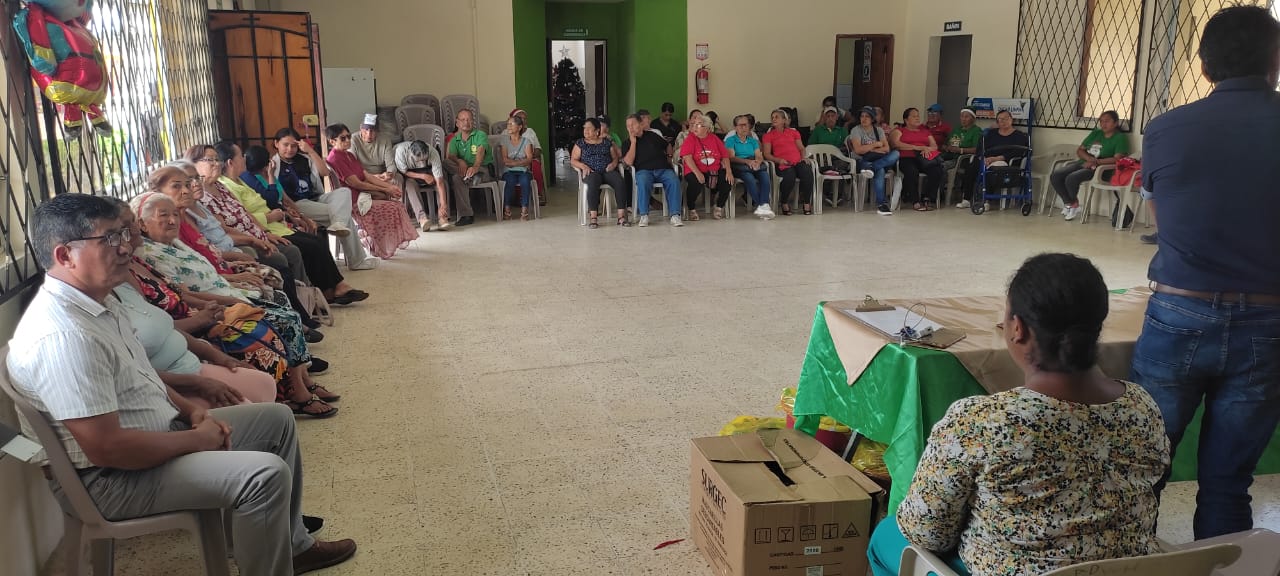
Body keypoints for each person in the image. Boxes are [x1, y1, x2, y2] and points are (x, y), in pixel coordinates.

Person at [8, 193, 357, 575]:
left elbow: (142, 374)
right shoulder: (63, 335)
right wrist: (196, 439)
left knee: (277, 420)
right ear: (64, 255)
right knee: (264, 476)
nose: (126, 247)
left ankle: (293, 547)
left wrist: (190, 410)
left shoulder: (100, 302)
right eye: (109, 239)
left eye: (124, 234)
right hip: (111, 479)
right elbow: (107, 448)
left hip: (153, 438)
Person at [869, 253, 1169, 576]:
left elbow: (927, 532)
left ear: (1017, 329)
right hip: (1128, 569)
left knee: (886, 536)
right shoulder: (1142, 407)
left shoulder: (981, 422)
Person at [1131, 5, 1280, 541]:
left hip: (1178, 311)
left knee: (1142, 470)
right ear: (1275, 61)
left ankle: (1131, 565)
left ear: (1204, 65)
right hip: (1270, 321)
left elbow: (1162, 219)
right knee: (1228, 484)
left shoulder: (1166, 128)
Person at [131, 192, 340, 418]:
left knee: (285, 310)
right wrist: (225, 300)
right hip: (206, 306)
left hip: (218, 295)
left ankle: (302, 381)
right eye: (164, 215)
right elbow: (184, 294)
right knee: (277, 321)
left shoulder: (174, 244)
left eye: (174, 214)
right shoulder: (147, 254)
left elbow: (194, 279)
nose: (173, 220)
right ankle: (294, 393)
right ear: (141, 224)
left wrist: (230, 284)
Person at [210, 141, 370, 304]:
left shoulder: (239, 181)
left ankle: (334, 288)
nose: (244, 159)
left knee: (317, 240)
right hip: (266, 229)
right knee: (311, 246)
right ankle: (326, 292)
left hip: (275, 225)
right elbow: (245, 216)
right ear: (230, 162)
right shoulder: (232, 184)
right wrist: (270, 220)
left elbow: (283, 199)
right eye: (240, 156)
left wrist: (296, 216)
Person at [272, 128, 376, 270]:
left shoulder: (304, 159)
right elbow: (279, 195)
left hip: (316, 198)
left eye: (294, 145)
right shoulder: (273, 164)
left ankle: (339, 225)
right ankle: (356, 261)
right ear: (276, 143)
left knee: (344, 191)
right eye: (286, 145)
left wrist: (310, 151)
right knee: (343, 215)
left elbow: (324, 172)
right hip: (297, 204)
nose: (290, 149)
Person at [325, 124, 420, 259]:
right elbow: (357, 183)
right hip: (353, 201)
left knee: (394, 202)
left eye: (348, 137)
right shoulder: (335, 158)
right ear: (332, 141)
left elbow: (366, 176)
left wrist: (389, 187)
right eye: (343, 138)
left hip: (361, 195)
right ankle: (373, 243)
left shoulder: (348, 155)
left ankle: (373, 238)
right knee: (394, 207)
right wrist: (385, 188)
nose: (348, 140)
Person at [1050, 110, 1129, 221]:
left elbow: (1117, 159)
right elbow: (1080, 150)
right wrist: (1089, 159)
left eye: (1107, 121)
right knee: (1056, 175)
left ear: (1115, 123)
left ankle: (1072, 205)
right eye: (1101, 121)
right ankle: (1070, 203)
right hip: (1085, 162)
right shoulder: (1096, 133)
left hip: (1101, 169)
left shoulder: (1120, 138)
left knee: (1071, 178)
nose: (1103, 124)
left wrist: (1096, 162)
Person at [958, 110, 1030, 209]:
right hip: (987, 159)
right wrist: (984, 158)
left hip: (1005, 162)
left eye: (1005, 119)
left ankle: (986, 201)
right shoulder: (991, 134)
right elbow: (981, 148)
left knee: (991, 170)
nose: (1002, 121)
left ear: (1011, 120)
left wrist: (998, 158)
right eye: (1000, 119)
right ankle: (966, 199)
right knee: (972, 165)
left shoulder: (1019, 136)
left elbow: (1018, 152)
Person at [621, 113, 682, 228]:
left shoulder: (652, 135)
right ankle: (644, 215)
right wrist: (633, 143)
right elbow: (628, 162)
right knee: (643, 182)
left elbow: (667, 145)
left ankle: (675, 215)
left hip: (663, 168)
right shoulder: (627, 143)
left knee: (674, 181)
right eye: (628, 126)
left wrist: (669, 157)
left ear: (640, 124)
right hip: (644, 171)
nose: (630, 128)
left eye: (633, 124)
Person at [571, 118, 629, 228]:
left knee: (619, 181)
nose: (586, 131)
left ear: (597, 131)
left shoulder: (606, 142)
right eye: (584, 128)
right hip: (591, 172)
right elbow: (573, 160)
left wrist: (613, 164)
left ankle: (621, 217)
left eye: (589, 128)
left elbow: (615, 157)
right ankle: (593, 218)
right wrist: (583, 166)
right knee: (593, 182)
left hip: (607, 171)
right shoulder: (580, 143)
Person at [679, 116, 735, 221]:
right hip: (694, 169)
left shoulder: (714, 138)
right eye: (694, 124)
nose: (695, 127)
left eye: (698, 125)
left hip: (714, 169)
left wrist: (729, 171)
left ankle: (719, 206)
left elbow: (725, 155)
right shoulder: (690, 138)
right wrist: (698, 173)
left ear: (707, 128)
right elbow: (687, 157)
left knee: (727, 181)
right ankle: (691, 208)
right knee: (695, 183)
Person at [891, 107, 945, 211]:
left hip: (924, 157)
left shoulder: (925, 131)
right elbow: (896, 144)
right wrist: (916, 147)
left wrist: (926, 149)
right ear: (906, 120)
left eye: (918, 116)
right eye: (914, 116)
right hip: (907, 157)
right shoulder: (900, 130)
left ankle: (927, 198)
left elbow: (934, 146)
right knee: (912, 171)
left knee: (936, 170)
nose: (917, 118)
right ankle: (915, 200)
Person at [762, 108, 815, 215]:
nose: (774, 119)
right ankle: (784, 201)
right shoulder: (768, 135)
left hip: (797, 161)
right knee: (790, 174)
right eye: (772, 117)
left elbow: (801, 148)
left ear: (784, 120)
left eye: (777, 117)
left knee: (807, 170)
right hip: (782, 163)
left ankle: (807, 202)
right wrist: (779, 160)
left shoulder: (793, 132)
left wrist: (803, 157)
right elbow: (766, 154)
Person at [848, 107, 899, 216]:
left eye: (867, 116)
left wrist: (868, 149)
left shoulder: (878, 130)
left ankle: (872, 167)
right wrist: (875, 145)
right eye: (862, 116)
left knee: (896, 154)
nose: (864, 119)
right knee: (880, 170)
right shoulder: (856, 130)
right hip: (862, 160)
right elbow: (858, 150)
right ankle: (882, 204)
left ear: (872, 119)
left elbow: (887, 149)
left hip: (877, 160)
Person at [393, 138, 452, 232]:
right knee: (409, 185)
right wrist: (423, 176)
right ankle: (422, 219)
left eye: (424, 159)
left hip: (429, 172)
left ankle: (443, 218)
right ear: (410, 153)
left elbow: (439, 182)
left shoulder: (433, 152)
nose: (421, 163)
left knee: (443, 183)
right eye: (418, 161)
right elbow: (404, 172)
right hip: (411, 175)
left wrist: (443, 204)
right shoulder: (401, 151)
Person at [724, 114, 774, 219]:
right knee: (749, 178)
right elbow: (731, 158)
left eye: (746, 125)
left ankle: (763, 206)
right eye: (741, 125)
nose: (744, 128)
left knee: (765, 176)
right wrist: (747, 162)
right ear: (735, 127)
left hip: (753, 164)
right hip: (739, 166)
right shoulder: (731, 140)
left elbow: (759, 155)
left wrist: (758, 162)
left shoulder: (753, 141)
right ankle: (762, 206)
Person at [444, 109, 487, 227]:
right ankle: (467, 216)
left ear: (473, 122)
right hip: (464, 170)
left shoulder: (480, 135)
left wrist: (475, 167)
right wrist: (460, 161)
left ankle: (472, 175)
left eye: (469, 120)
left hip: (482, 169)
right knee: (447, 164)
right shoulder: (454, 139)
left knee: (457, 177)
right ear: (457, 123)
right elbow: (451, 156)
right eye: (463, 120)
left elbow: (480, 151)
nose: (466, 122)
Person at [942, 108, 983, 208]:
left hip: (963, 159)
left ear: (973, 119)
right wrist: (947, 147)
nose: (963, 119)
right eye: (962, 116)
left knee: (941, 167)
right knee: (934, 164)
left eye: (966, 117)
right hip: (949, 156)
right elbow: (945, 144)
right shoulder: (956, 130)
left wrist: (960, 150)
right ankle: (938, 194)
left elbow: (976, 149)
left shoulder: (976, 131)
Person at [497, 114, 535, 221]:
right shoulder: (504, 142)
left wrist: (513, 163)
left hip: (524, 171)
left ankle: (524, 210)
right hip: (509, 172)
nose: (508, 126)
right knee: (509, 181)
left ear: (519, 127)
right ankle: (507, 210)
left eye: (511, 124)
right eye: (508, 124)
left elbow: (529, 159)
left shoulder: (526, 142)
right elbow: (505, 160)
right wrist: (521, 162)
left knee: (525, 181)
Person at [509, 108, 546, 206]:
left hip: (530, 158)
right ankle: (518, 196)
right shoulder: (507, 132)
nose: (523, 120)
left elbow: (538, 148)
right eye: (520, 118)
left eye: (525, 118)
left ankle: (537, 194)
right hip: (513, 160)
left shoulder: (530, 131)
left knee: (535, 166)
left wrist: (531, 155)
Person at [349, 113, 396, 181]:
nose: (369, 134)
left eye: (372, 130)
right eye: (366, 130)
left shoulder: (385, 140)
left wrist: (389, 174)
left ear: (377, 131)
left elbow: (391, 164)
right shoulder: (353, 139)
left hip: (381, 176)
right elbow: (351, 164)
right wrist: (371, 177)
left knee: (396, 179)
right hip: (362, 176)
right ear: (361, 128)